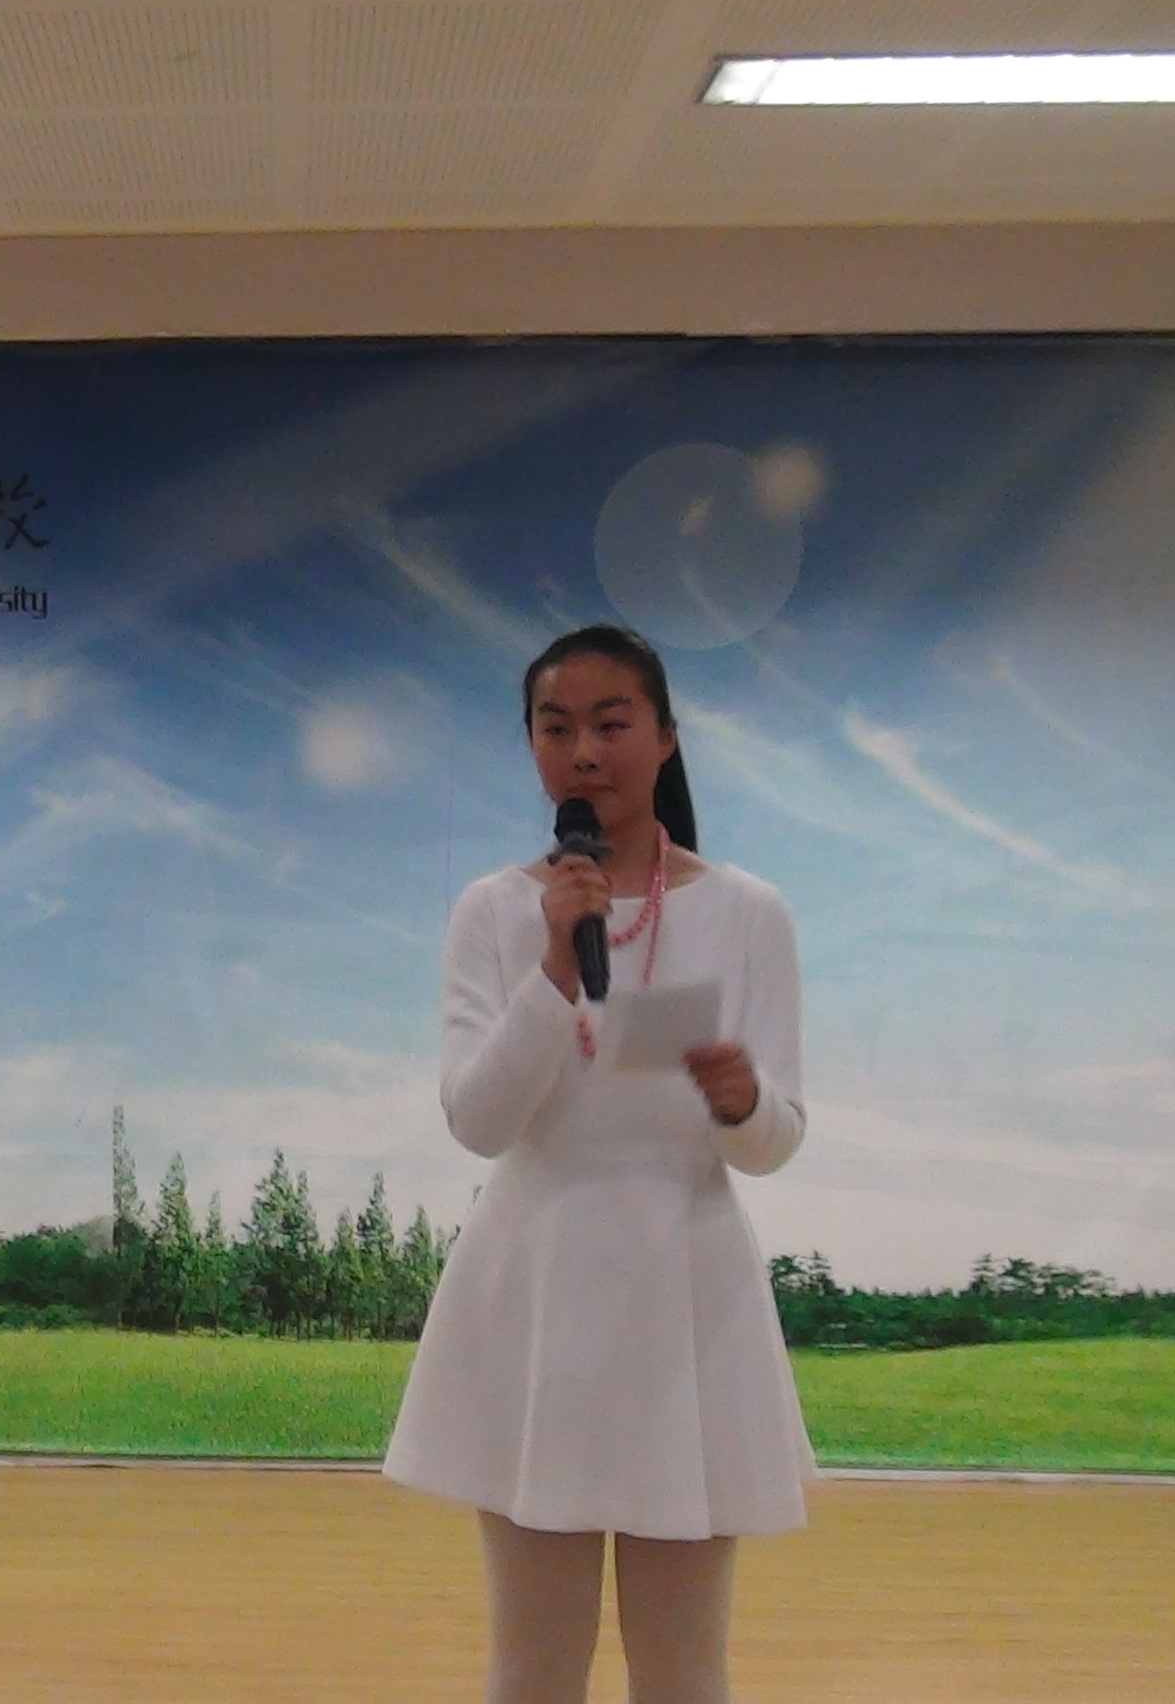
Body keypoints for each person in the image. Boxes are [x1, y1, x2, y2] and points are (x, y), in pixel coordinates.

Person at [383, 624, 812, 1704]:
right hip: (535, 1295)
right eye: (555, 727)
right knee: (533, 1666)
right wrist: (552, 969)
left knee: (684, 1670)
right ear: (531, 745)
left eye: (612, 724)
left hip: (689, 1295)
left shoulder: (749, 912)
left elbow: (775, 1140)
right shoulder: (494, 909)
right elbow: (479, 1121)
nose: (583, 751)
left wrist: (744, 1102)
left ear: (666, 737)